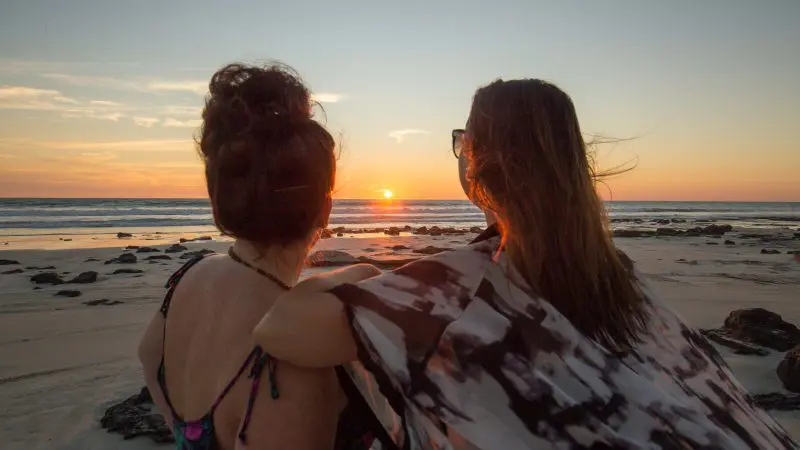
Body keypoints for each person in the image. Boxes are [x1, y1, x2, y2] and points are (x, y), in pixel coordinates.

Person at [253, 79, 797, 449]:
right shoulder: (618, 276)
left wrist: (361, 275)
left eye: (462, 141)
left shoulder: (457, 292)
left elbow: (280, 327)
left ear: (478, 161)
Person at [138, 62, 371, 450]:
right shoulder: (294, 359)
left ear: (221, 199)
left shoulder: (188, 277)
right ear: (325, 209)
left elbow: (148, 356)